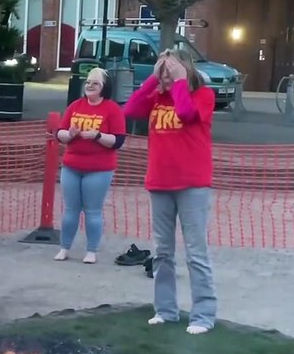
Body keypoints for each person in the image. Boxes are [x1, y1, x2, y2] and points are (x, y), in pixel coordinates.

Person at [123, 48, 217, 335]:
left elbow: (187, 114)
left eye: (172, 70)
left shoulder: (203, 95)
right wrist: (153, 80)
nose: (167, 75)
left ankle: (203, 315)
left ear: (186, 69)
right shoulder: (157, 97)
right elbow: (129, 110)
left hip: (192, 184)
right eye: (163, 70)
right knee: (163, 252)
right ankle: (166, 310)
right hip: (160, 182)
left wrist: (178, 82)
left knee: (195, 253)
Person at [54, 67, 127, 263]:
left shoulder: (112, 109)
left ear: (104, 87)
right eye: (87, 82)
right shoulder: (75, 106)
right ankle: (64, 248)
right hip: (72, 165)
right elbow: (59, 133)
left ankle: (91, 251)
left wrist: (98, 136)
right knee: (70, 210)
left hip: (99, 169)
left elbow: (119, 141)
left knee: (93, 210)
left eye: (95, 83)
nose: (89, 86)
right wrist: (69, 134)